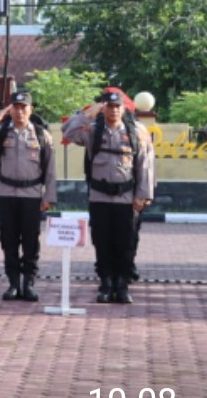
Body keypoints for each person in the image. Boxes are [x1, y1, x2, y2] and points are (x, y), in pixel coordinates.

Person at [61, 90, 153, 304]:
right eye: (109, 107)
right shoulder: (93, 131)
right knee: (102, 242)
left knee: (125, 242)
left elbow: (145, 165)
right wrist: (87, 114)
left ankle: (122, 285)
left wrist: (143, 195)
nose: (114, 110)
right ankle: (106, 283)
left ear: (123, 109)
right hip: (99, 197)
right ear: (104, 109)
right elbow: (68, 132)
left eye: (117, 106)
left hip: (126, 197)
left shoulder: (135, 131)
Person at [0, 92, 57, 301]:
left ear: (30, 109)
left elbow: (50, 169)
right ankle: (13, 283)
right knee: (8, 241)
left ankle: (29, 284)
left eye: (23, 107)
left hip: (32, 195)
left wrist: (49, 196)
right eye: (15, 107)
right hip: (7, 194)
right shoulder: (1, 132)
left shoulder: (41, 134)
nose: (19, 111)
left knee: (30, 241)